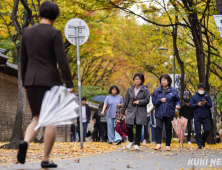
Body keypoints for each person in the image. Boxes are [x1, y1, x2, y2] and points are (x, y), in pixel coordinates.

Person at [17, 1, 74, 168]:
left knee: (36, 118)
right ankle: (46, 158)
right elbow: (61, 61)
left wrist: (24, 82)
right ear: (55, 15)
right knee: (50, 120)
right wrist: (69, 83)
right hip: (49, 81)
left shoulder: (27, 32)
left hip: (31, 81)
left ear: (40, 13)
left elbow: (23, 60)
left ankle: (25, 142)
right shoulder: (54, 33)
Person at [120, 73, 150, 150]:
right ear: (133, 80)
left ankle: (137, 143)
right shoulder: (130, 89)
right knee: (128, 126)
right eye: (136, 79)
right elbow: (126, 101)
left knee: (139, 127)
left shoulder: (145, 89)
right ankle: (130, 141)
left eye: (139, 79)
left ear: (142, 81)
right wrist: (122, 110)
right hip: (131, 110)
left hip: (141, 111)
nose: (137, 81)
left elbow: (147, 100)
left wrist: (139, 102)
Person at [152, 74, 181, 151]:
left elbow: (177, 100)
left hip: (169, 112)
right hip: (159, 112)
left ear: (169, 81)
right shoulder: (157, 91)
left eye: (165, 80)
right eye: (162, 80)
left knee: (168, 129)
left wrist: (178, 105)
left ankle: (168, 145)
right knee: (158, 128)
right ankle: (158, 144)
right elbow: (154, 102)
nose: (163, 82)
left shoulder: (173, 91)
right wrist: (160, 100)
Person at [190, 83, 212, 149]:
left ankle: (202, 140)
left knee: (207, 130)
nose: (201, 90)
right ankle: (199, 144)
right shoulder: (193, 97)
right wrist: (197, 104)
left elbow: (210, 105)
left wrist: (206, 103)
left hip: (206, 116)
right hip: (197, 116)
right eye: (200, 89)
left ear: (204, 90)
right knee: (198, 131)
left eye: (203, 89)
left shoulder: (207, 96)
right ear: (197, 89)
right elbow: (191, 105)